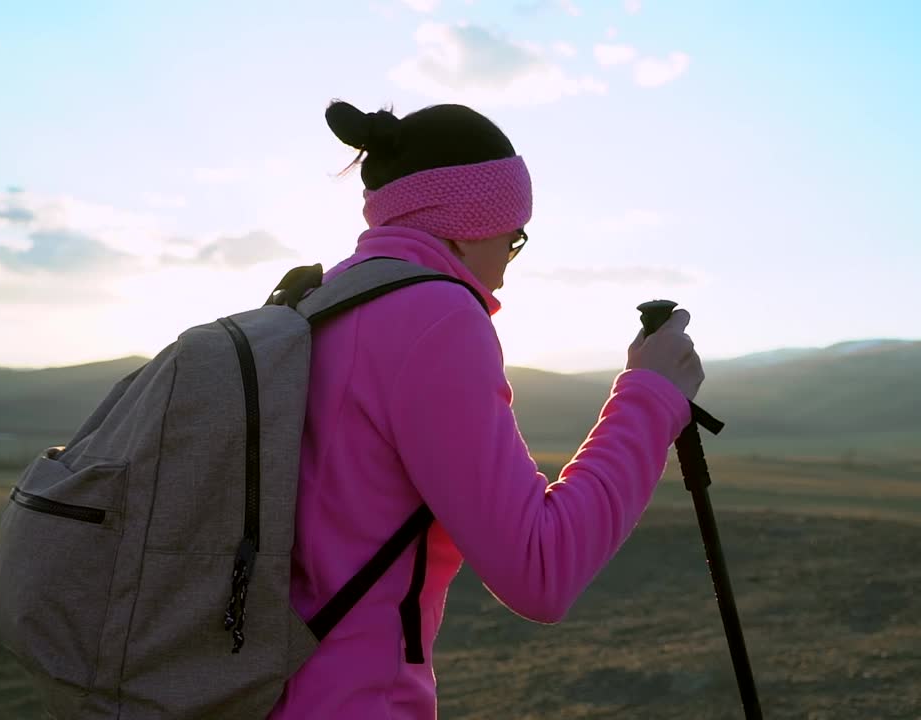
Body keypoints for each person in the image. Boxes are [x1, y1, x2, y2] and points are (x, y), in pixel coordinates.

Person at [267, 100, 706, 719]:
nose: (508, 262)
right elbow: (540, 569)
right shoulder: (434, 317)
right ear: (468, 223)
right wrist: (652, 396)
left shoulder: (313, 306)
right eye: (514, 236)